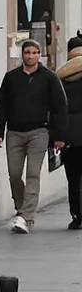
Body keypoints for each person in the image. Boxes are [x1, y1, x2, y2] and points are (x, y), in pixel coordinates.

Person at [0, 36, 64, 232]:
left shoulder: (49, 77)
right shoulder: (11, 78)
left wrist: (59, 136)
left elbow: (60, 106)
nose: (31, 56)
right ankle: (21, 209)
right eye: (28, 52)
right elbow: (2, 105)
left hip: (39, 132)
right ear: (22, 55)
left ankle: (26, 216)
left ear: (39, 55)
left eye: (35, 53)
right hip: (14, 132)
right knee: (14, 174)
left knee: (33, 174)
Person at [56, 37, 82, 231]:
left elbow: (55, 111)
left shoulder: (60, 80)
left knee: (73, 179)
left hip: (69, 137)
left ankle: (77, 215)